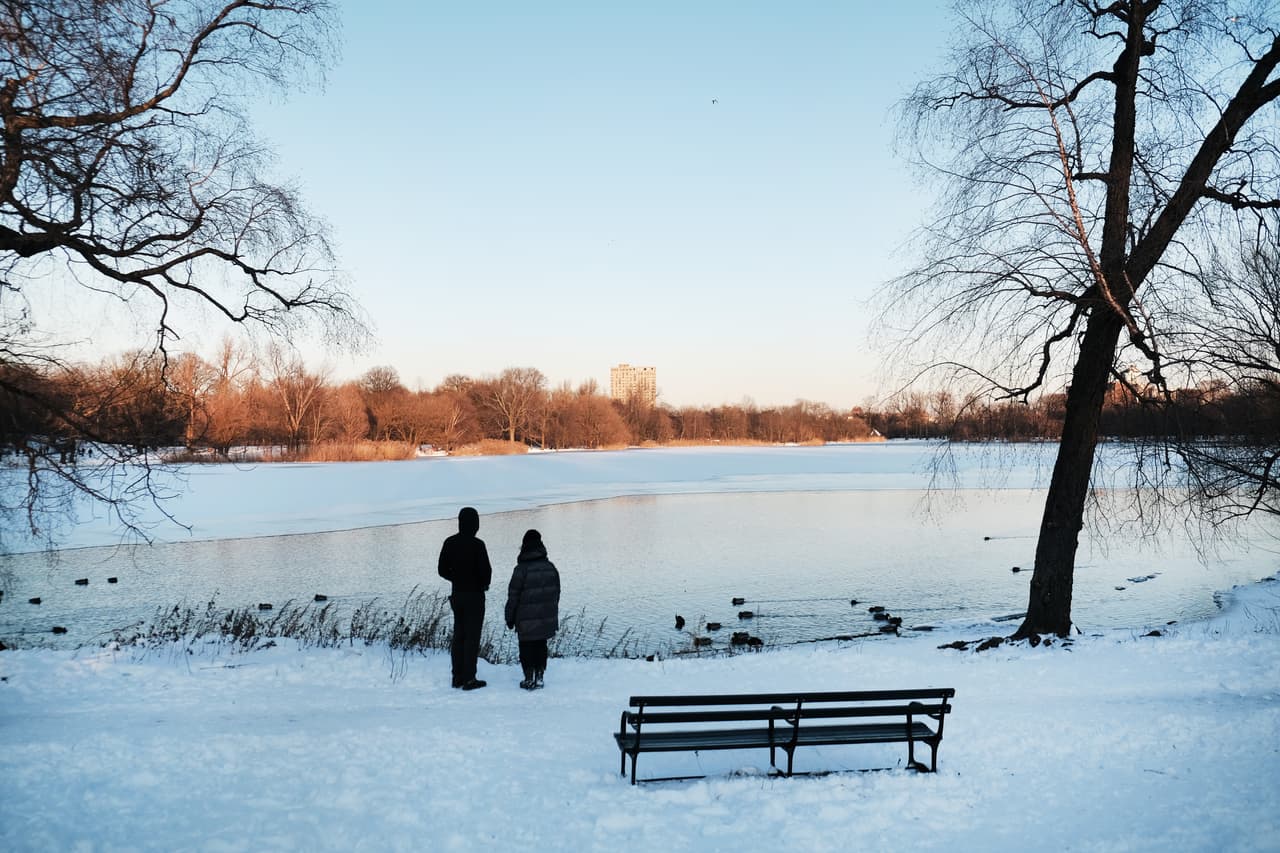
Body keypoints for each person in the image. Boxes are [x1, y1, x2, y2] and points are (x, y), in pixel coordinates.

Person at [437, 506, 492, 690]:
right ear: (475, 524)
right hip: (475, 596)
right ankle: (469, 678)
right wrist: (481, 583)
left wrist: (456, 578)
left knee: (459, 635)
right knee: (472, 637)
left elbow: (442, 570)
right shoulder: (478, 545)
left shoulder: (449, 542)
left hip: (457, 595)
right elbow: (486, 573)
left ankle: (457, 676)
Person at [504, 529, 561, 690]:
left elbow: (513, 595)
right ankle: (540, 675)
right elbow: (556, 592)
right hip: (545, 617)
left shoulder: (521, 569)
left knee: (526, 646)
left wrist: (509, 617)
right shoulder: (550, 567)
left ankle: (529, 677)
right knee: (541, 645)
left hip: (525, 619)